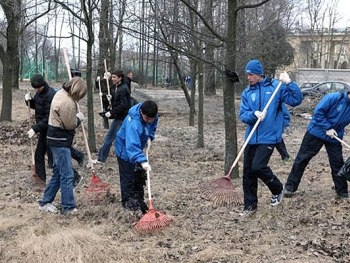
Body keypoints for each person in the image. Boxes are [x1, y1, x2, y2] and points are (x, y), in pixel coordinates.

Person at [239, 59, 303, 217]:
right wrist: (253, 115)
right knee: (248, 173)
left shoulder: (276, 87)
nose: (248, 78)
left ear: (259, 74)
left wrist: (290, 83)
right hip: (251, 137)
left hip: (268, 137)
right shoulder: (247, 92)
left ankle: (277, 188)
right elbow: (243, 115)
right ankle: (250, 206)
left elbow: (296, 100)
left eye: (251, 74)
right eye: (247, 74)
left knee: (258, 167)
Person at [284, 91, 350, 198]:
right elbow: (318, 112)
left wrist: (332, 131)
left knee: (337, 163)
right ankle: (290, 186)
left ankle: (342, 191)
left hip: (335, 136)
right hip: (316, 132)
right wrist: (327, 127)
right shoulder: (335, 97)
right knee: (302, 159)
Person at [38, 77, 87, 214]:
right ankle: (68, 207)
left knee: (58, 174)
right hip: (60, 141)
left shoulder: (60, 93)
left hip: (55, 139)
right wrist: (79, 119)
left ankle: (45, 202)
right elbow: (69, 124)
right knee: (67, 175)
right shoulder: (67, 102)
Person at [115, 100, 158, 214]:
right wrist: (142, 161)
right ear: (141, 112)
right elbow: (132, 146)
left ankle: (139, 202)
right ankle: (129, 205)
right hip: (125, 151)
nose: (149, 121)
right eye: (146, 119)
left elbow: (152, 125)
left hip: (137, 149)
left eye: (151, 119)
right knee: (128, 179)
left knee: (139, 177)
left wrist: (149, 136)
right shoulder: (133, 123)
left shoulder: (152, 114)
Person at [93, 70, 131, 164]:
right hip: (120, 117)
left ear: (120, 78)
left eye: (114, 77)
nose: (112, 79)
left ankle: (101, 159)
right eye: (112, 77)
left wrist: (111, 112)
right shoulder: (117, 87)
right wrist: (111, 97)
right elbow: (118, 101)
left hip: (121, 118)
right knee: (124, 137)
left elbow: (124, 105)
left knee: (109, 137)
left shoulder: (123, 88)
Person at [25, 74, 56, 185]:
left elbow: (48, 118)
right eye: (35, 88)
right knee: (39, 154)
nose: (37, 90)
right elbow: (38, 106)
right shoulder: (39, 93)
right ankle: (41, 179)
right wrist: (29, 101)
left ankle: (73, 176)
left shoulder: (50, 95)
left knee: (55, 155)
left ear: (43, 84)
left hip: (52, 129)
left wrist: (35, 128)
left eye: (38, 88)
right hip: (44, 129)